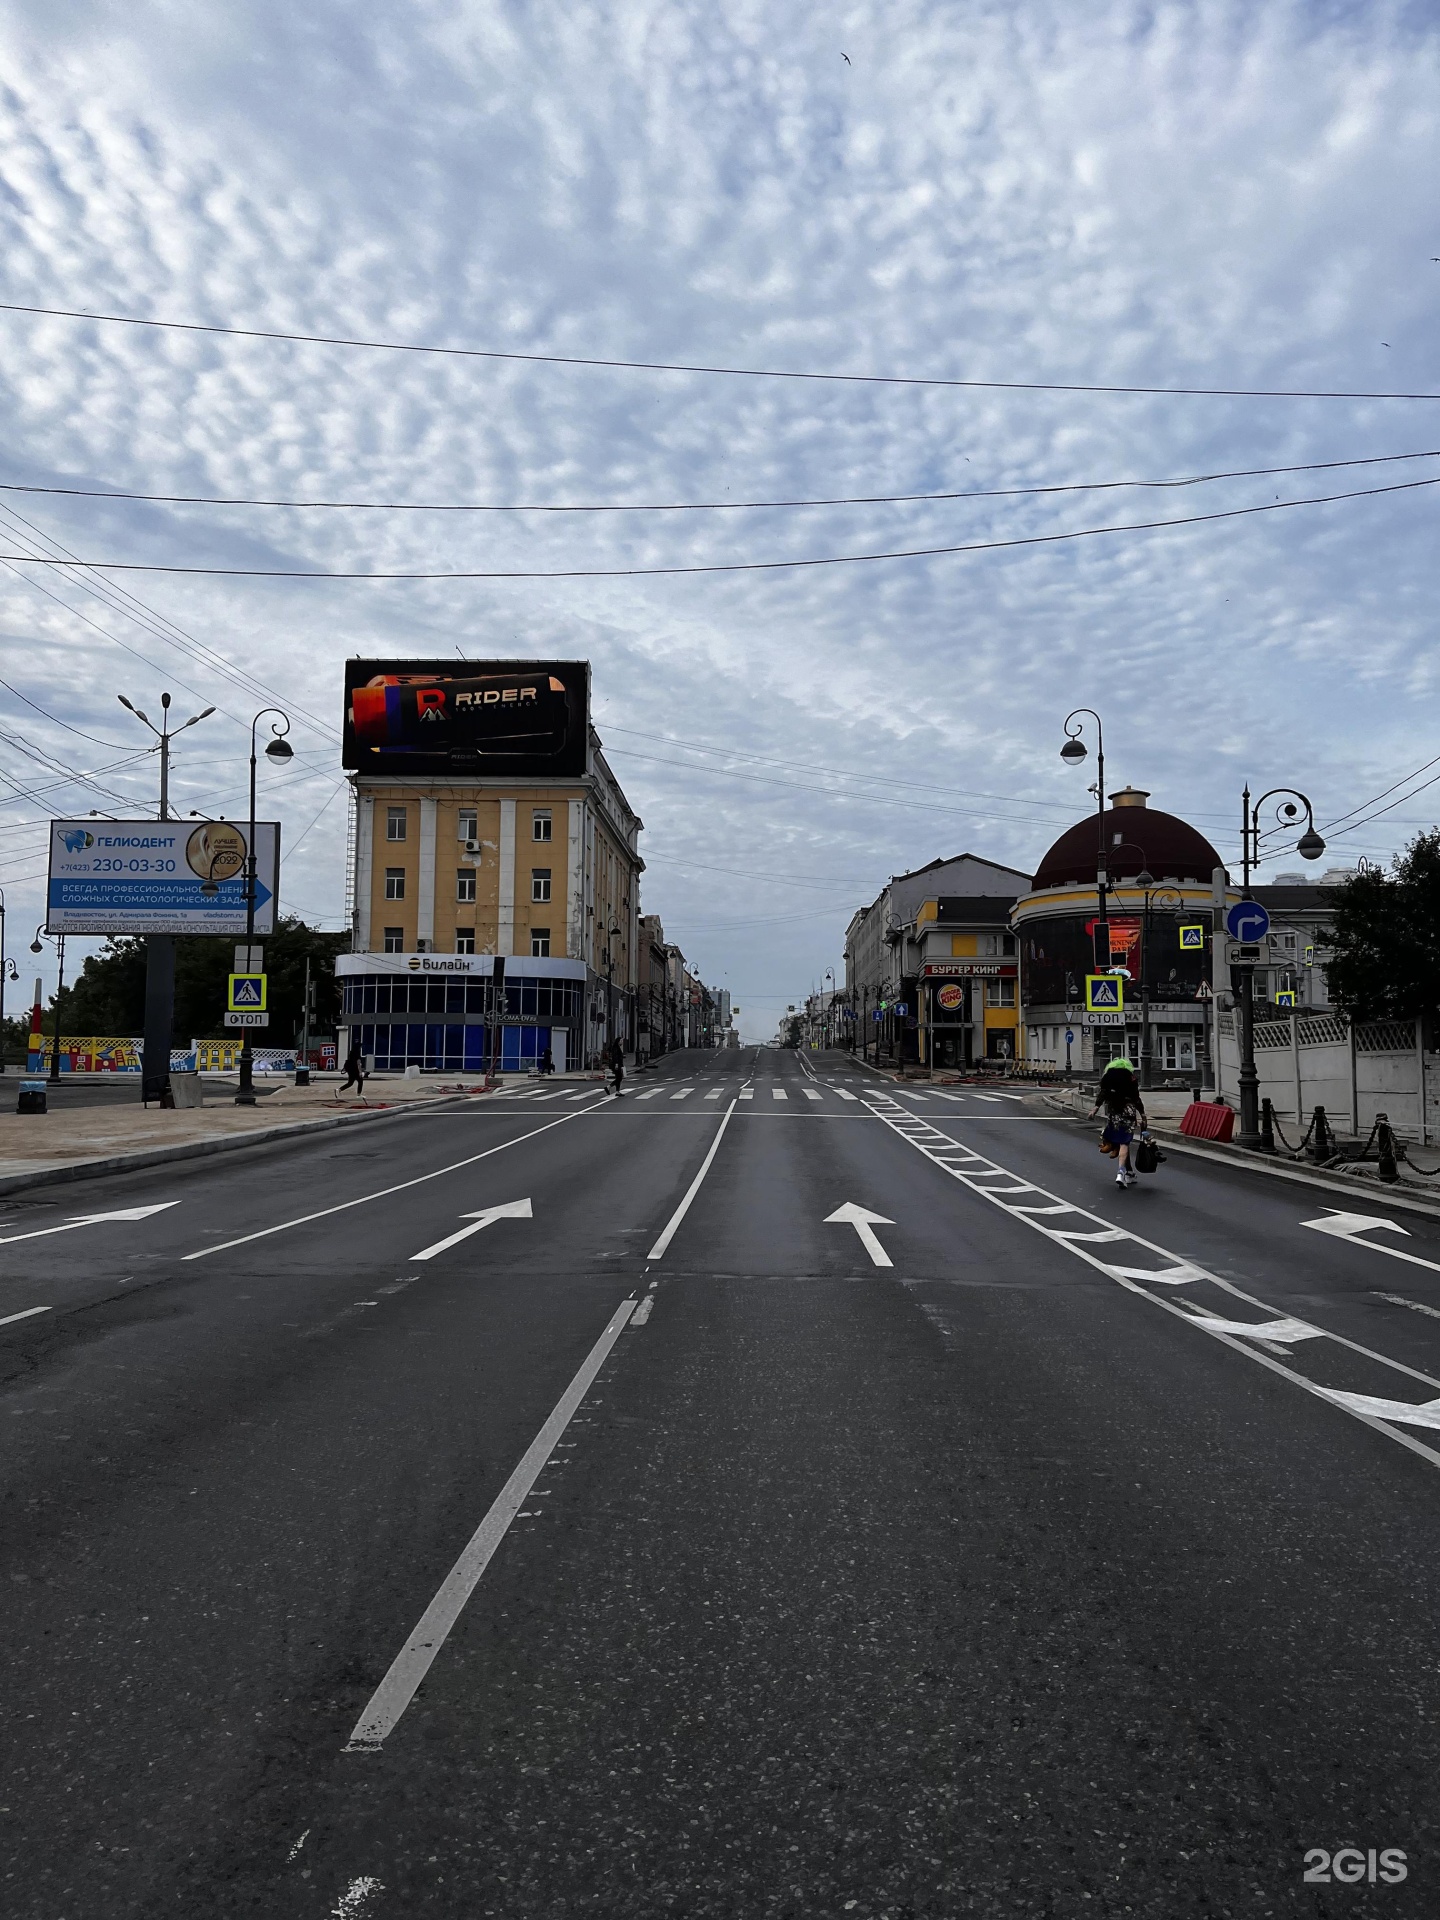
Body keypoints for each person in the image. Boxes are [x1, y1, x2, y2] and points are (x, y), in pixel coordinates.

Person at [1090, 1056, 1147, 1188]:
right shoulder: (1130, 1078)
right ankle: (1121, 1172)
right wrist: (1142, 1114)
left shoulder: (1108, 1077)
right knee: (1124, 1143)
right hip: (1128, 1112)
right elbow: (1136, 1098)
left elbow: (1103, 1093)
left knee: (1120, 1141)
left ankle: (1129, 1172)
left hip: (1114, 1112)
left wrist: (1096, 1107)